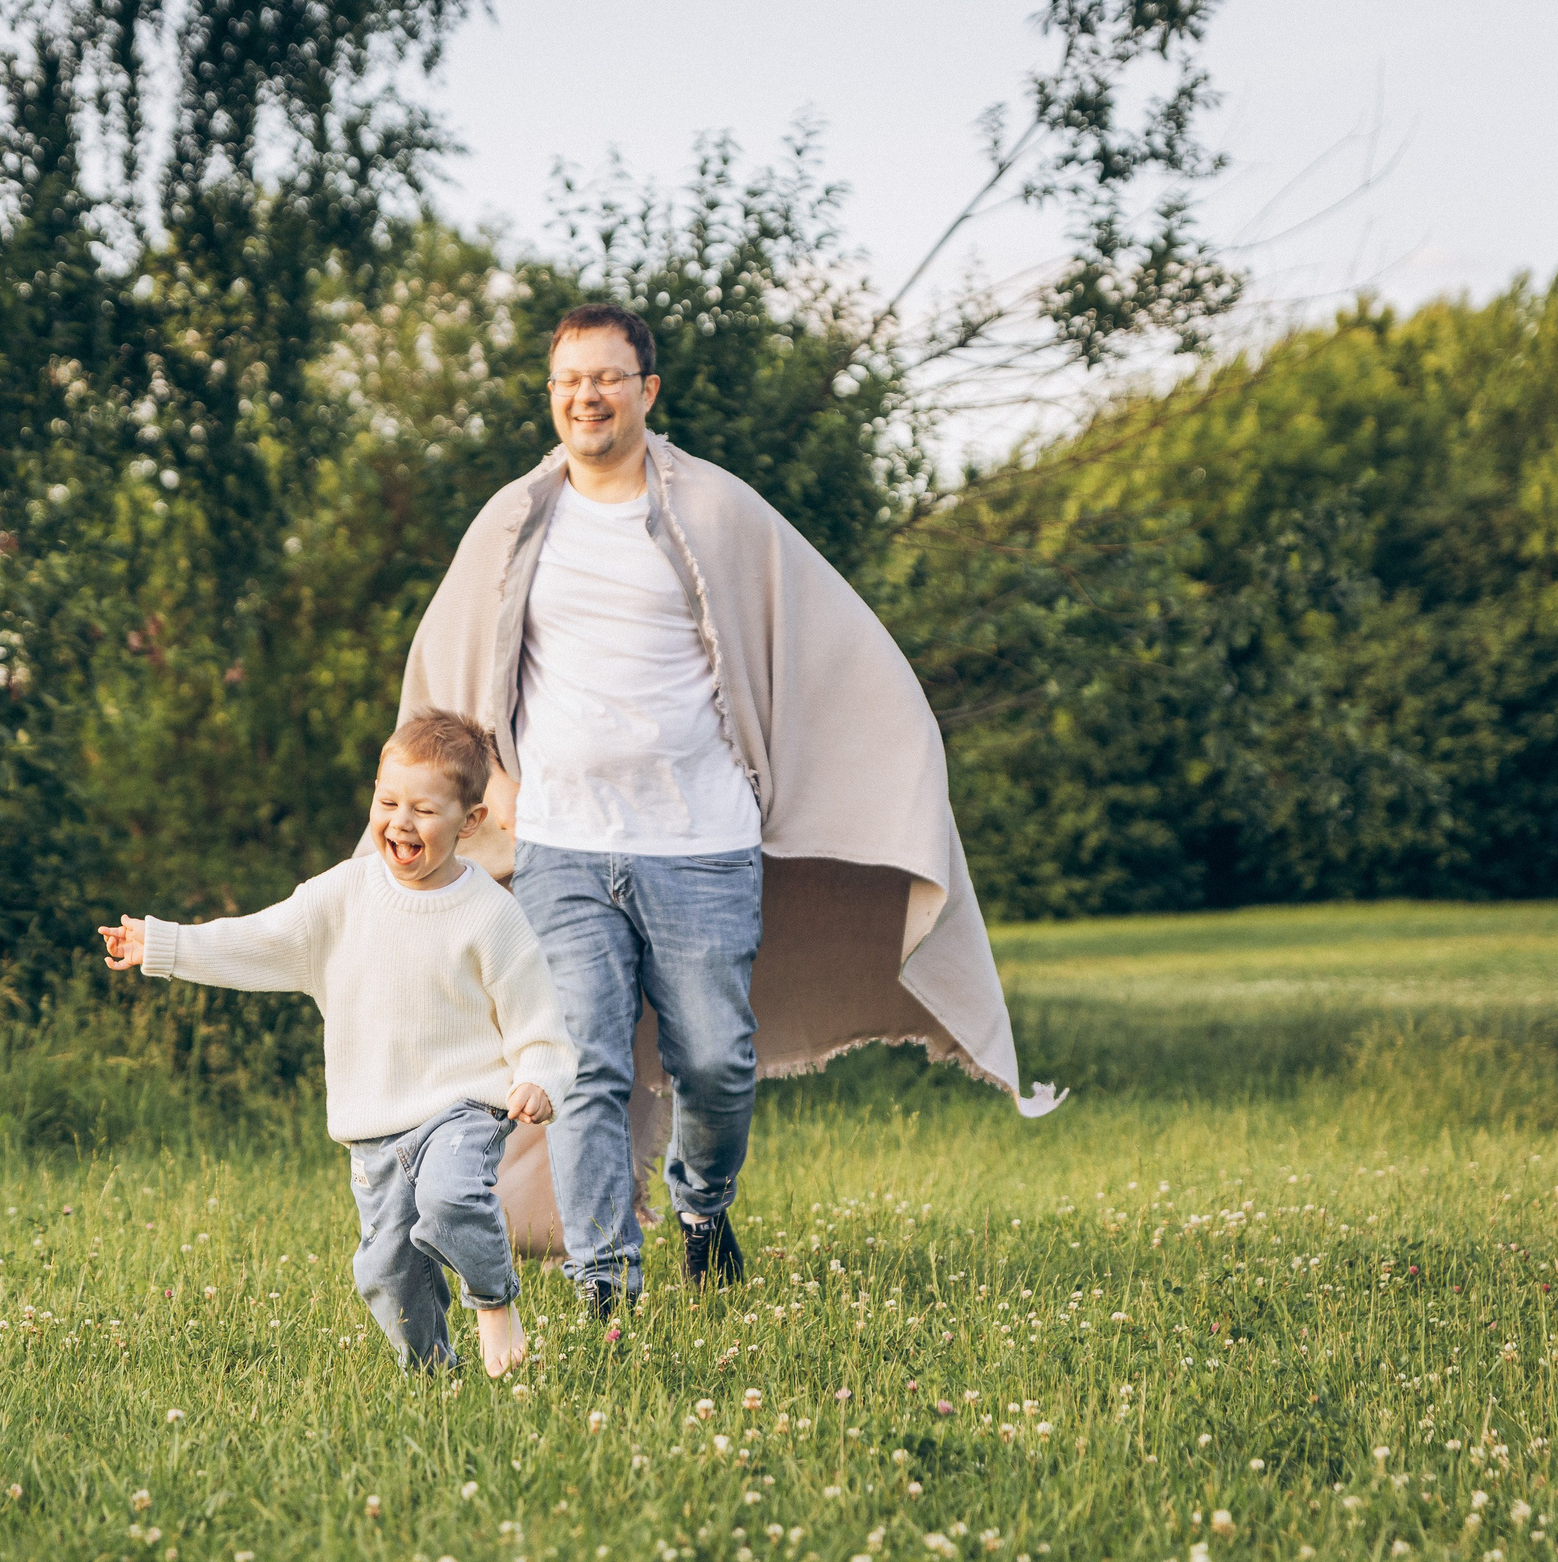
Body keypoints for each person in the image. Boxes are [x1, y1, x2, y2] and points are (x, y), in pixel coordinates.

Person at [386, 303, 1061, 1319]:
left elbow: (828, 644)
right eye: (569, 381)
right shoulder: (515, 520)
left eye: (608, 378)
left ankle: (701, 1209)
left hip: (699, 844)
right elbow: (451, 672)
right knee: (586, 1066)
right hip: (563, 847)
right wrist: (471, 797)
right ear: (552, 395)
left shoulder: (717, 512)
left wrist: (888, 747)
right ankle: (604, 1283)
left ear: (646, 392)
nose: (587, 397)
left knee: (714, 1061)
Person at [99, 709, 575, 1377]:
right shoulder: (345, 895)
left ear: (469, 822)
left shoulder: (492, 914)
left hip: (463, 1108)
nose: (400, 821)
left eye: (424, 809)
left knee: (451, 1198)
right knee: (385, 1272)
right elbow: (258, 938)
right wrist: (165, 944)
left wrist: (541, 1078)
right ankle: (438, 1373)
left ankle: (494, 1302)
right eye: (387, 801)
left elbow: (538, 1017)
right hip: (375, 1127)